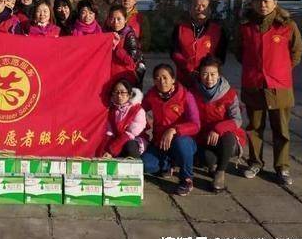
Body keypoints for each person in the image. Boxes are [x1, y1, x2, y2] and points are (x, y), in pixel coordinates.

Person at [235, 0, 302, 186]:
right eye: (258, 1)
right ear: (252, 4)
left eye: (267, 1)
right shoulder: (245, 27)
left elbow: (297, 51)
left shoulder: (287, 25)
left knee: (281, 129)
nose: (263, 5)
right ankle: (255, 162)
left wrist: (281, 68)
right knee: (254, 127)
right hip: (254, 83)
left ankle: (282, 167)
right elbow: (238, 52)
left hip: (279, 85)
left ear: (275, 3)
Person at [141, 64, 200, 196]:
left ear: (173, 79)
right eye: (157, 78)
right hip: (160, 143)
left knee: (181, 143)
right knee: (145, 164)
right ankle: (169, 164)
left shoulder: (185, 95)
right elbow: (138, 111)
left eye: (165, 77)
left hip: (183, 141)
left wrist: (174, 129)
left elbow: (196, 125)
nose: (161, 81)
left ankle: (186, 178)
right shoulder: (151, 95)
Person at [191, 56, 246, 192]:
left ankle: (220, 173)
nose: (209, 78)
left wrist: (218, 129)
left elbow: (237, 119)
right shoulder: (193, 92)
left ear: (219, 75)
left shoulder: (229, 93)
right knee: (206, 158)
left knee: (228, 138)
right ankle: (213, 165)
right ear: (199, 74)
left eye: (213, 74)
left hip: (223, 136)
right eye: (205, 74)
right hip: (202, 136)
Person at [170, 0, 228, 88]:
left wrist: (206, 70)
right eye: (196, 6)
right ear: (190, 9)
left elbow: (220, 57)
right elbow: (174, 52)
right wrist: (188, 68)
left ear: (209, 11)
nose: (200, 9)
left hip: (208, 81)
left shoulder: (218, 31)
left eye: (204, 6)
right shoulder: (180, 29)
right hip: (184, 78)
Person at [97, 79, 147, 159]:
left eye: (123, 92)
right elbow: (109, 133)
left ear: (129, 94)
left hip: (133, 141)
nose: (119, 96)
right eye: (116, 92)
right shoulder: (112, 111)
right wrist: (102, 152)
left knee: (130, 146)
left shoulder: (138, 110)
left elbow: (130, 134)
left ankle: (135, 164)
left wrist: (111, 151)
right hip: (117, 143)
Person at [104, 4, 146, 87]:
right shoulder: (106, 33)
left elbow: (131, 61)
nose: (115, 22)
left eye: (119, 19)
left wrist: (117, 49)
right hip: (111, 74)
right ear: (108, 19)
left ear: (125, 20)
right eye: (112, 18)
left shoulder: (129, 35)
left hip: (125, 76)